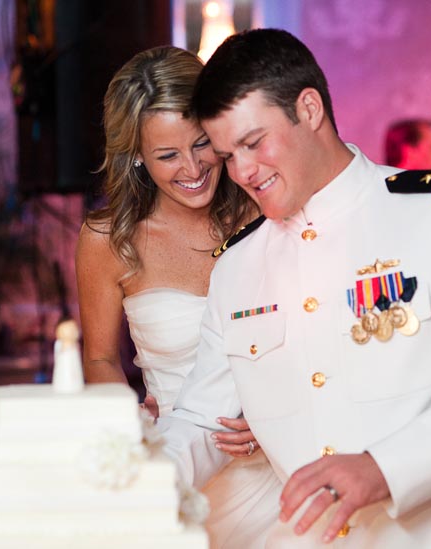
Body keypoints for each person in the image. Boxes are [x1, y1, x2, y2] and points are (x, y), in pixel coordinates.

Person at [157, 28, 431, 548]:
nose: (243, 171)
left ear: (309, 109)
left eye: (253, 143)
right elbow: (199, 419)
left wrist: (384, 469)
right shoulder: (237, 266)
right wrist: (121, 485)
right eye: (228, 155)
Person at [74, 46, 282, 548]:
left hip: (281, 470)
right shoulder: (107, 239)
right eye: (167, 155)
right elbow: (100, 356)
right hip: (174, 465)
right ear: (138, 157)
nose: (192, 168)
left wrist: (276, 409)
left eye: (201, 144)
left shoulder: (267, 211)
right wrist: (128, 417)